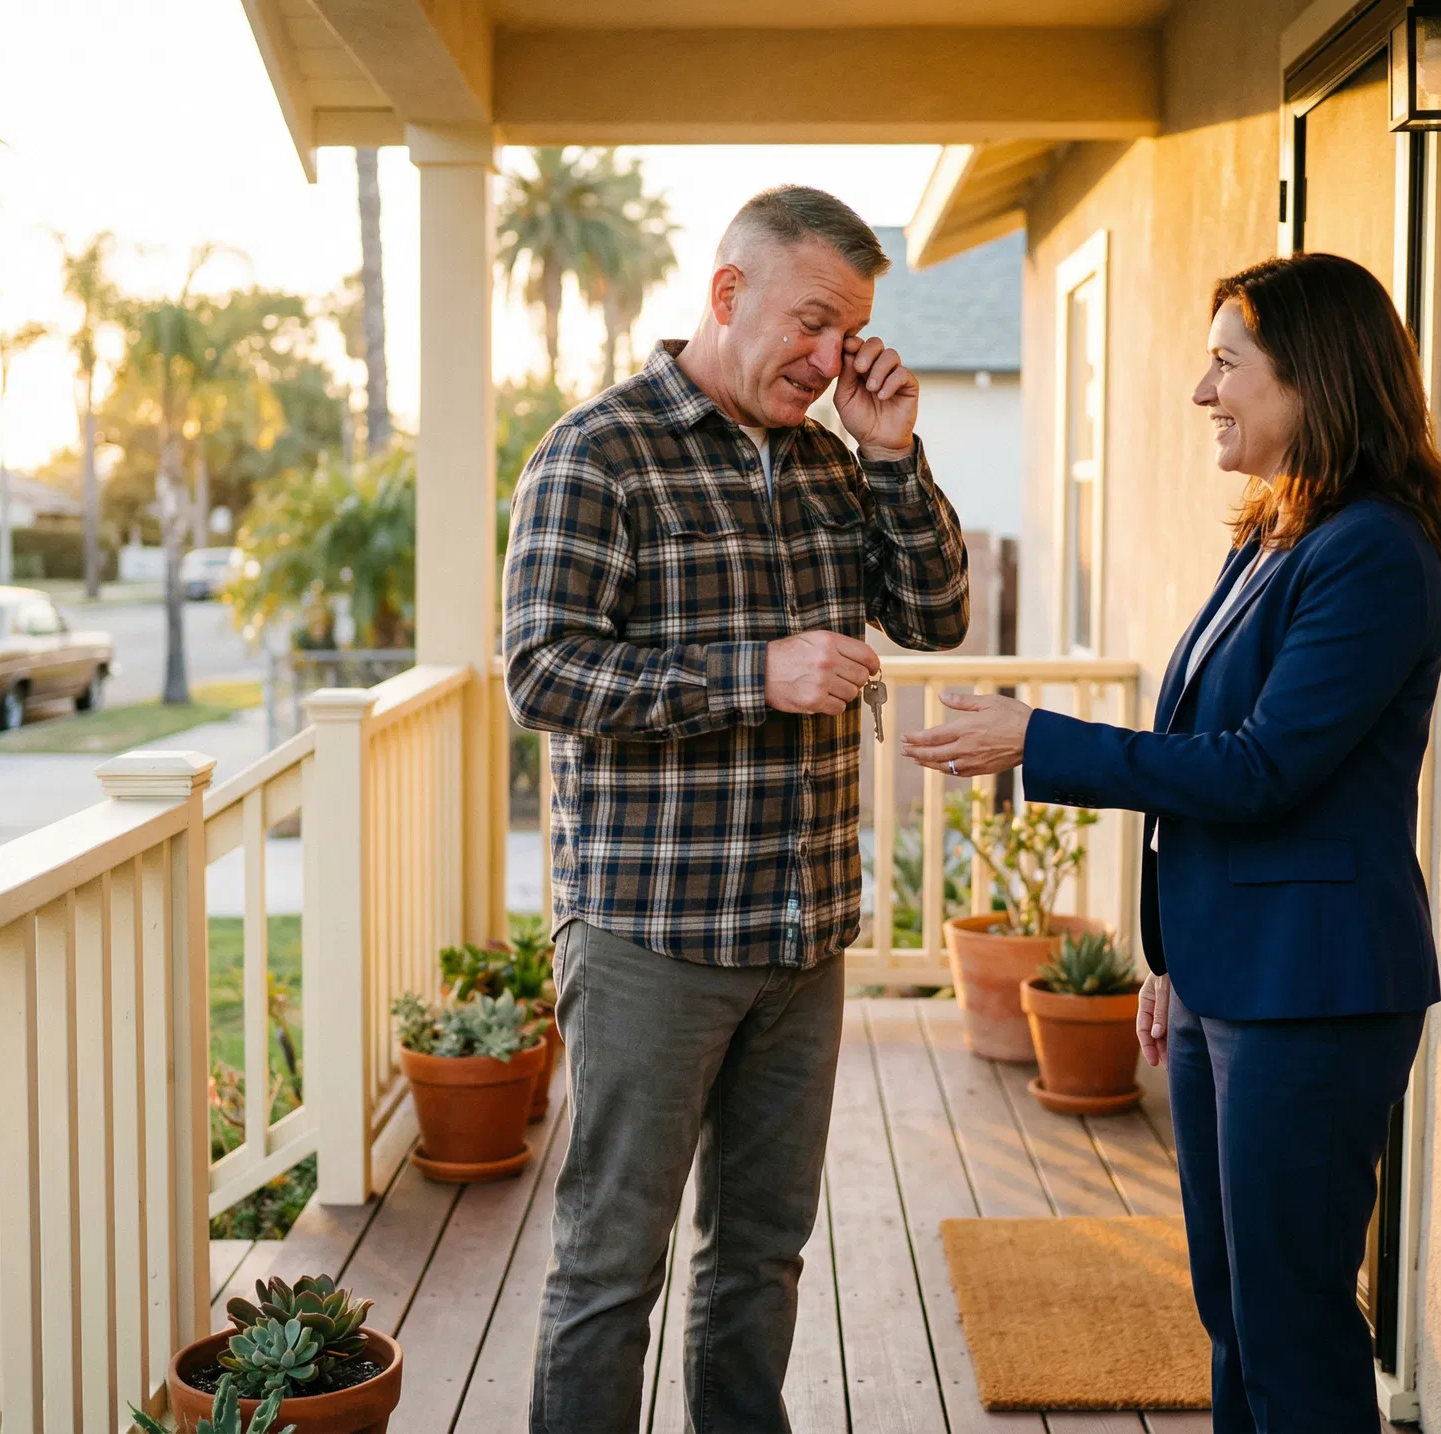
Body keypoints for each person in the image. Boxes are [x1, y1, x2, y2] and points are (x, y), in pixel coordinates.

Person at [902, 251, 1441, 1432]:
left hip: (1311, 993)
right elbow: (1208, 752)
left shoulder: (1373, 552)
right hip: (1228, 980)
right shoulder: (1273, 535)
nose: (1204, 392)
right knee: (1233, 1311)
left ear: (1312, 376)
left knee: (1291, 1325)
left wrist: (1039, 739)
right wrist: (1172, 960)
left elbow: (1260, 768)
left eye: (1226, 364)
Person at [503, 184, 970, 1434]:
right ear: (727, 293)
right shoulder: (596, 454)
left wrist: (891, 455)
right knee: (611, 1267)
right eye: (812, 323)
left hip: (802, 935)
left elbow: (934, 616)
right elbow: (541, 673)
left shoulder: (831, 461)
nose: (829, 358)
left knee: (762, 1254)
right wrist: (752, 675)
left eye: (849, 333)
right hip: (651, 940)